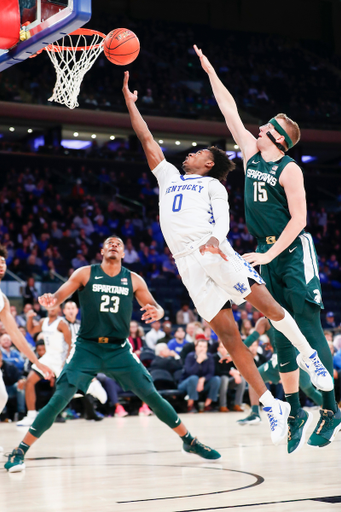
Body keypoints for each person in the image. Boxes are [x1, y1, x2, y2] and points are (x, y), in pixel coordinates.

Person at [123, 71, 332, 446]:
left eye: (199, 152)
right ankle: (272, 405)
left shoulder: (214, 184)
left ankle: (310, 357)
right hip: (187, 264)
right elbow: (146, 139)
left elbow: (223, 219)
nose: (191, 153)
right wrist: (130, 103)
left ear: (208, 165)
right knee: (230, 338)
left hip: (216, 250)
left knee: (270, 308)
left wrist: (218, 241)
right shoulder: (169, 176)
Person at [194, 44, 341, 450]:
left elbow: (300, 220)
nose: (257, 129)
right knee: (280, 336)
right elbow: (229, 110)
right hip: (263, 250)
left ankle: (330, 408)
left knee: (308, 329)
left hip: (292, 250)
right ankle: (294, 410)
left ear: (276, 137)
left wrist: (270, 255)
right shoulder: (251, 155)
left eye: (264, 128)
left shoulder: (290, 169)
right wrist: (209, 70)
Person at [5, 237, 221, 473]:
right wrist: (51, 299)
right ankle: (20, 450)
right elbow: (59, 296)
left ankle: (189, 441)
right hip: (87, 347)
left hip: (118, 349)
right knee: (60, 398)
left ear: (124, 253)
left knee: (151, 395)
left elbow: (156, 307)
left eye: (118, 244)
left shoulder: (133, 279)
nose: (114, 245)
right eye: (109, 243)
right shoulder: (85, 273)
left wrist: (157, 312)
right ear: (102, 251)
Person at [0, 245, 53, 429]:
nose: (1, 265)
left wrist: (36, 362)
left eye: (3, 262)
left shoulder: (3, 300)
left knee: (2, 396)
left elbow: (15, 334)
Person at [17, 305, 72, 426]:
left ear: (59, 309)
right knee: (29, 381)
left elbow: (70, 344)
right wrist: (29, 318)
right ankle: (31, 415)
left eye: (55, 306)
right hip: (47, 357)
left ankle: (92, 388)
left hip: (60, 358)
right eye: (50, 306)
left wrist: (66, 361)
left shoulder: (62, 323)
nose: (52, 308)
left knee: (70, 388)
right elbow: (31, 331)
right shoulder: (43, 321)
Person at [178, 338, 221, 413]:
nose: (202, 349)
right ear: (196, 347)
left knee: (216, 379)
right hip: (186, 383)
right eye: (200, 346)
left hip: (202, 384)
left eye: (204, 347)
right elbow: (189, 373)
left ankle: (208, 405)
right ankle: (190, 405)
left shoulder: (209, 357)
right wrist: (198, 361)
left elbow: (211, 373)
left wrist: (202, 380)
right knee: (193, 378)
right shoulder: (190, 356)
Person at [214, 340, 246, 412]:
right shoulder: (215, 357)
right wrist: (231, 373)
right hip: (219, 381)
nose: (224, 349)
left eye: (225, 347)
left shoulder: (231, 358)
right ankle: (222, 405)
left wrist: (237, 373)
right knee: (224, 378)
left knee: (242, 379)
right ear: (218, 349)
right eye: (222, 347)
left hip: (230, 381)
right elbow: (217, 372)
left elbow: (237, 369)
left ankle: (237, 404)